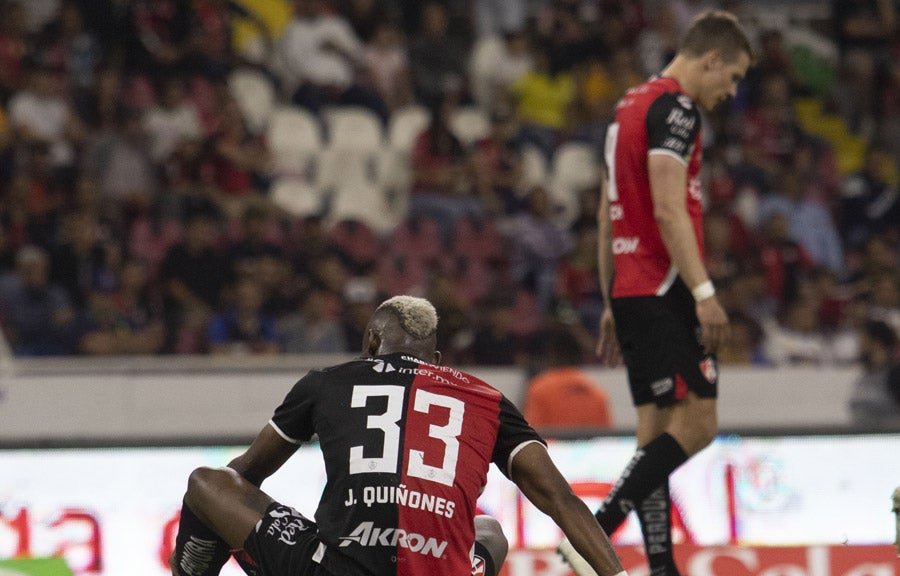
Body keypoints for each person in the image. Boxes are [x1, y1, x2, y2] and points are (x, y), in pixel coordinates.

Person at [170, 295, 626, 576]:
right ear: (439, 360)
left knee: (207, 485)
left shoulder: (328, 382)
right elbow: (559, 498)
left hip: (337, 569)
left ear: (371, 342)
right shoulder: (487, 399)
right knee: (490, 532)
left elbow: (246, 476)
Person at [561, 11, 753, 576]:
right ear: (710, 59)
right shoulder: (678, 109)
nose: (732, 92)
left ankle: (662, 568)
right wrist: (703, 290)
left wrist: (610, 298)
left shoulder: (627, 107)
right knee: (698, 424)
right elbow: (670, 208)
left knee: (653, 437)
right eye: (733, 76)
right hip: (666, 286)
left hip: (630, 289)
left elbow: (605, 214)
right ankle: (588, 535)